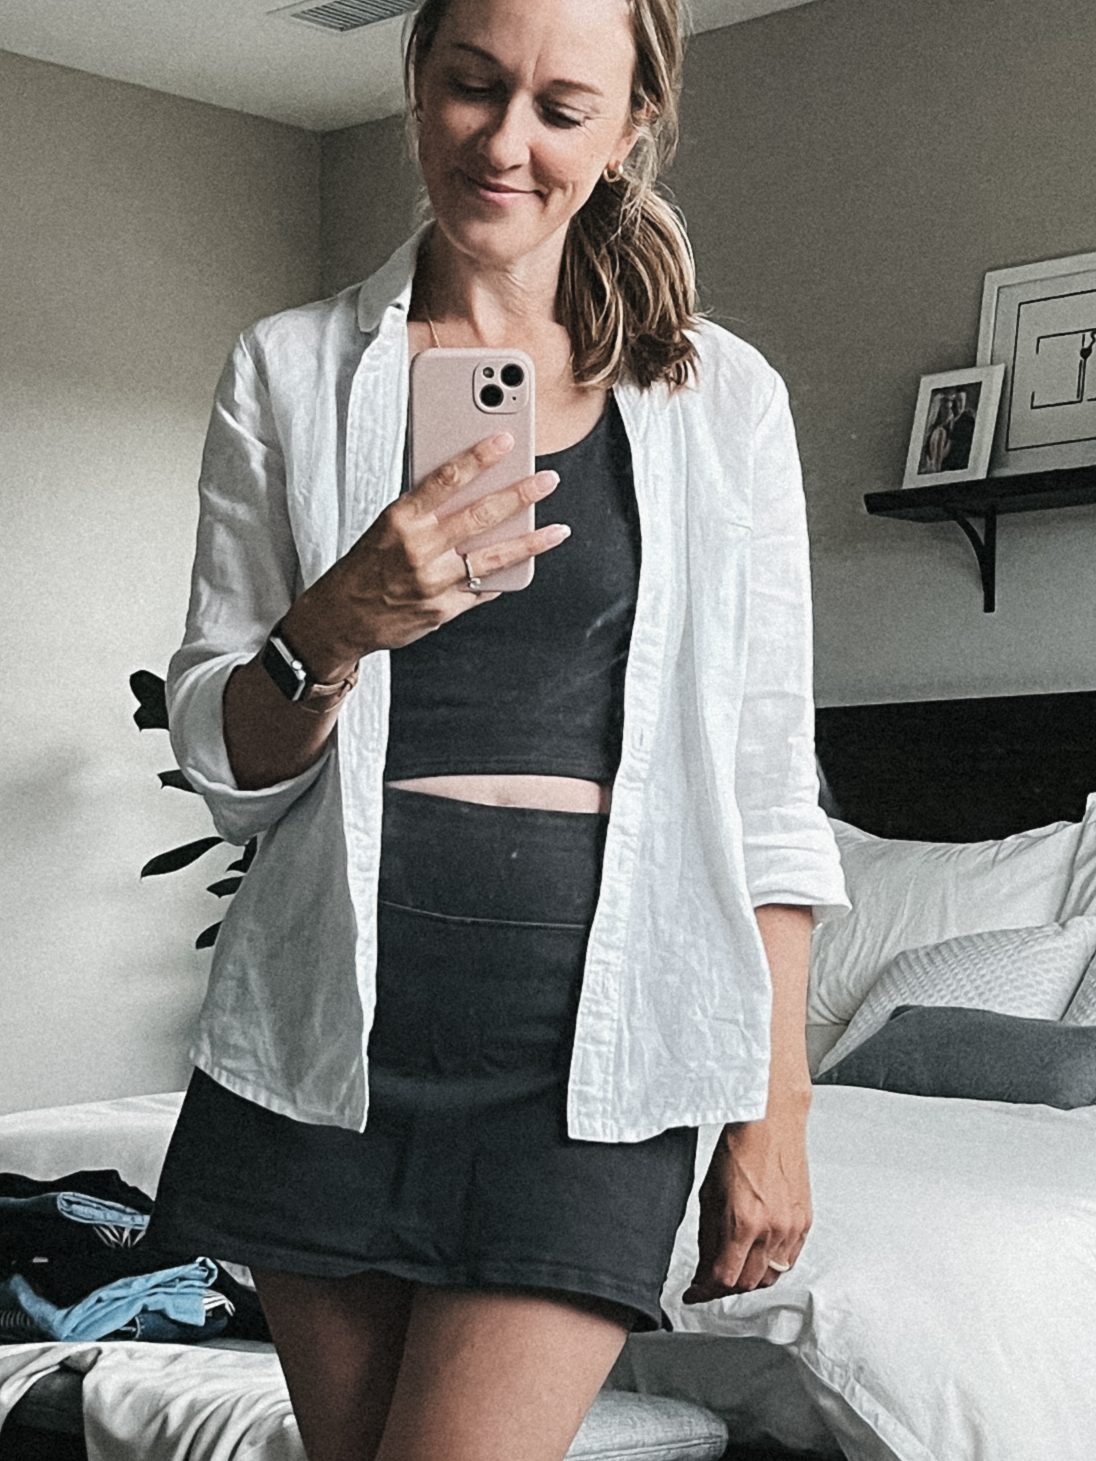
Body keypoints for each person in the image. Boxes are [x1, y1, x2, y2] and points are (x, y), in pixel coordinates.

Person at [145, 1, 850, 1458]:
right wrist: (337, 619)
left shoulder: (723, 401)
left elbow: (769, 784)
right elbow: (226, 762)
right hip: (336, 1027)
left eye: (561, 109)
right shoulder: (290, 370)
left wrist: (772, 1107)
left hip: (590, 1060)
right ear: (417, 78)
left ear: (631, 128)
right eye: (472, 86)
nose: (505, 143)